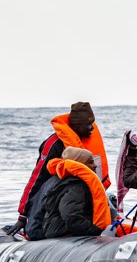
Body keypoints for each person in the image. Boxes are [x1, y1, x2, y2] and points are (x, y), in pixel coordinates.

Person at [11, 101, 109, 236]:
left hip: (78, 198)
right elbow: (36, 180)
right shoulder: (54, 144)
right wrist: (23, 216)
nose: (92, 128)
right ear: (76, 125)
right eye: (88, 125)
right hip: (56, 199)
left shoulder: (86, 140)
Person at [25, 147, 113, 240]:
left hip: (36, 231)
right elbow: (70, 214)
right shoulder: (77, 184)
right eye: (90, 162)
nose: (95, 166)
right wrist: (94, 231)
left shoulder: (52, 180)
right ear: (79, 163)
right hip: (52, 234)